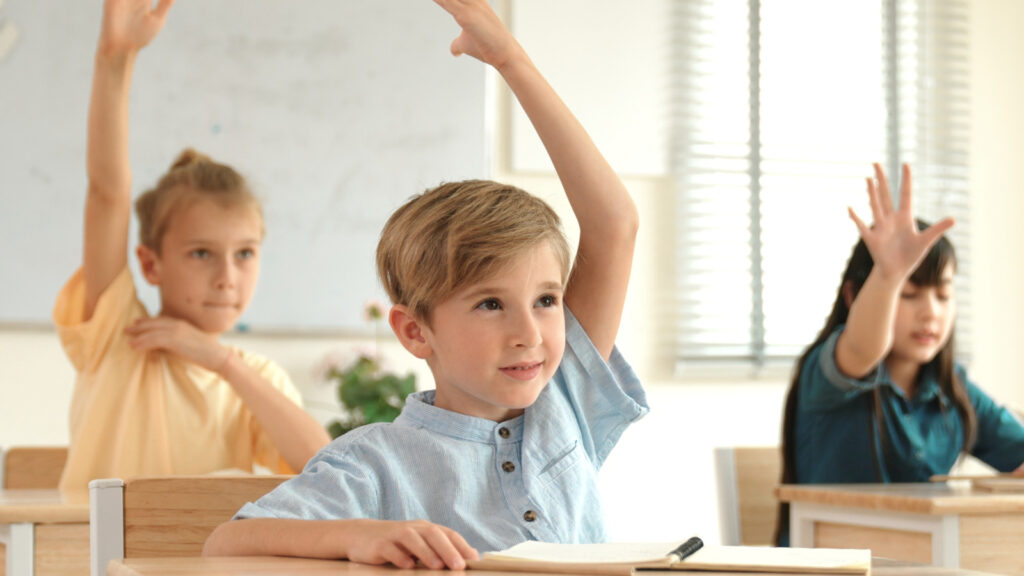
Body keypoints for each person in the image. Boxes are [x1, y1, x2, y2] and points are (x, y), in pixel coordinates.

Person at [203, 0, 647, 568]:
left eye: (546, 300)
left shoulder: (566, 404)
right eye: (491, 303)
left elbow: (615, 225)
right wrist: (354, 536)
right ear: (415, 330)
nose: (528, 333)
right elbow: (228, 542)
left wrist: (511, 60)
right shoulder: (376, 461)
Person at [54, 0, 330, 490]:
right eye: (201, 253)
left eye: (245, 253)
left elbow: (327, 466)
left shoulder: (253, 376)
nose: (227, 276)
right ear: (150, 263)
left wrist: (223, 363)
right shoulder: (117, 333)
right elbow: (107, 193)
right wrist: (114, 60)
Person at [775, 163, 1024, 545]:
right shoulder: (828, 373)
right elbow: (863, 349)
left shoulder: (952, 389)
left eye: (942, 295)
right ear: (853, 297)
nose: (931, 313)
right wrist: (889, 275)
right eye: (909, 295)